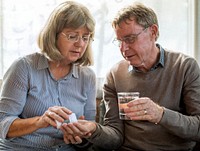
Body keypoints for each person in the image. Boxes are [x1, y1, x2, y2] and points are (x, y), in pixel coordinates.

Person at [60, 2, 200, 151]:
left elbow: (198, 127)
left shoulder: (185, 67)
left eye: (130, 39)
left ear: (153, 32)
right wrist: (94, 129)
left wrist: (160, 114)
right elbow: (115, 136)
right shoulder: (115, 75)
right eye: (120, 41)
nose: (123, 48)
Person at [0, 1, 96, 151]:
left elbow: (90, 134)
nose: (80, 44)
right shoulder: (24, 67)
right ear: (53, 35)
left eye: (85, 37)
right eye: (72, 36)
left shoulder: (88, 76)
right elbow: (2, 123)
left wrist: (80, 137)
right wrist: (40, 121)